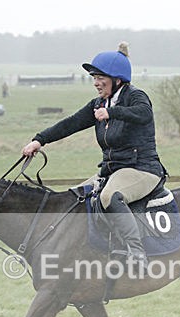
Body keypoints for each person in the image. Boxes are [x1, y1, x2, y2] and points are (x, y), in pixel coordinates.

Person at [22, 42, 165, 266]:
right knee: (74, 196)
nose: (96, 83)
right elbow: (71, 123)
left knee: (109, 197)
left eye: (101, 78)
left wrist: (112, 112)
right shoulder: (98, 103)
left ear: (118, 80)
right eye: (94, 78)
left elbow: (144, 113)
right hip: (111, 171)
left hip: (142, 169)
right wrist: (39, 140)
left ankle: (136, 252)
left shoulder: (136, 96)